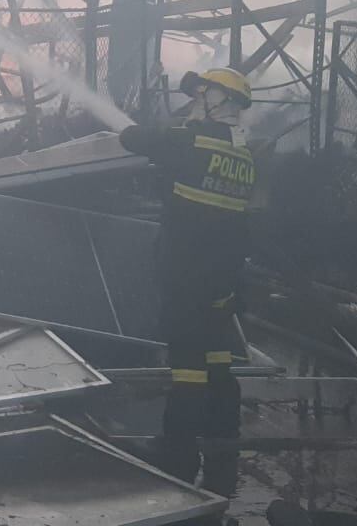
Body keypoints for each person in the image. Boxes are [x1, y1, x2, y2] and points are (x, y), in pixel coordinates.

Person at [119, 67, 255, 496]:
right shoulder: (244, 158)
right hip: (222, 280)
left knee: (187, 365)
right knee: (217, 360)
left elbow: (135, 139)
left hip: (185, 274)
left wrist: (133, 125)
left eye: (203, 94)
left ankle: (177, 454)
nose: (197, 101)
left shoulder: (191, 141)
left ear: (219, 101)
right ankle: (222, 446)